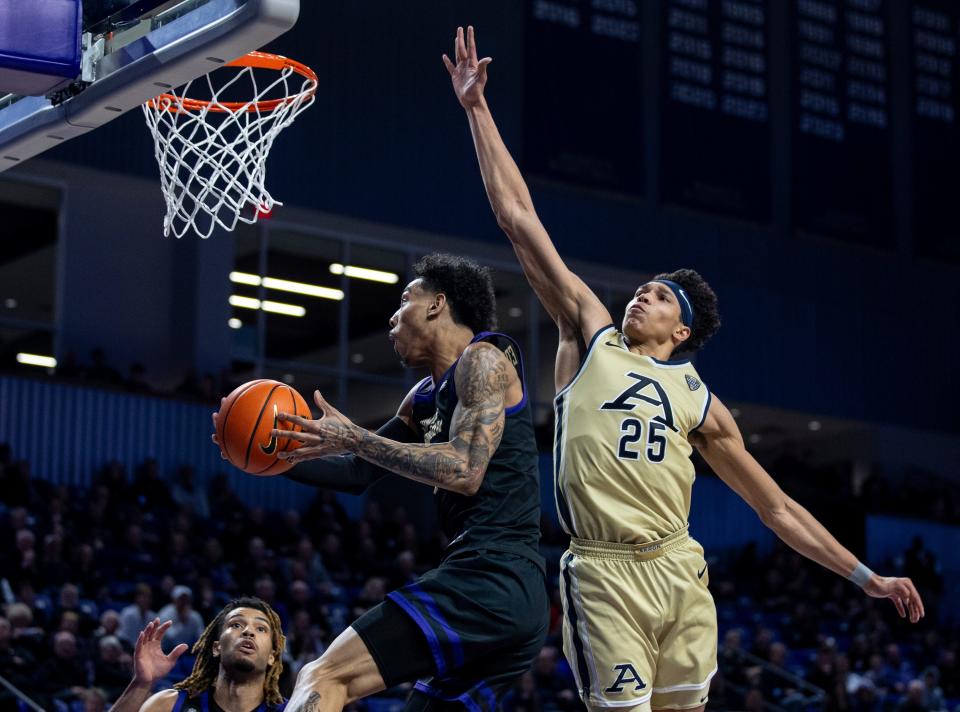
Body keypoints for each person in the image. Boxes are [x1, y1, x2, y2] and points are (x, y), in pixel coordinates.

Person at [444, 25, 925, 712]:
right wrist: (477, 110)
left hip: (678, 569)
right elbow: (518, 218)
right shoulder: (590, 335)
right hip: (604, 572)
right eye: (642, 287)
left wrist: (864, 576)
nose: (642, 293)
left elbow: (776, 507)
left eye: (660, 295)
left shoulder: (701, 401)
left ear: (684, 329)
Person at [222, 253, 548, 712]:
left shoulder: (484, 359)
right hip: (511, 596)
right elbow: (358, 473)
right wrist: (267, 457)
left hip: (491, 575)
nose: (392, 318)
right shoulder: (422, 399)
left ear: (436, 305)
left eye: (404, 301)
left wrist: (354, 436)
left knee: (322, 675)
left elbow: (465, 471)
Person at [111, 597, 286, 712]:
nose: (248, 632)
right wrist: (141, 684)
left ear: (272, 656)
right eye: (236, 625)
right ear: (216, 647)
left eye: (261, 628)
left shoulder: (292, 710)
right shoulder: (170, 705)